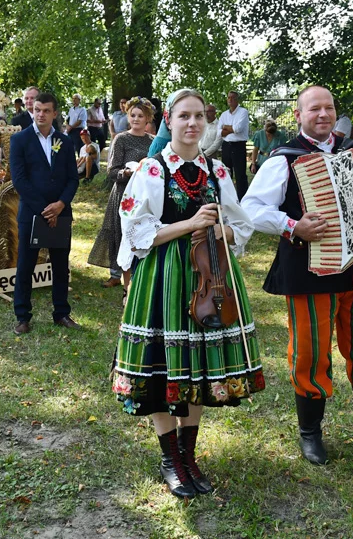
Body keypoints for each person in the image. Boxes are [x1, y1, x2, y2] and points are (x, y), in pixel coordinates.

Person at [242, 85, 353, 465]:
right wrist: (293, 225)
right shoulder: (284, 159)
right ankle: (311, 433)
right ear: (298, 115)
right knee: (310, 352)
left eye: (329, 108)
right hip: (309, 271)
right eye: (314, 109)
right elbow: (251, 209)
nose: (323, 115)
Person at [112, 88, 264, 499]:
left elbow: (241, 227)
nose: (193, 123)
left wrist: (217, 229)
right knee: (164, 366)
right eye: (184, 116)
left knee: (196, 365)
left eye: (199, 116)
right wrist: (191, 223)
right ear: (170, 119)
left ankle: (188, 454)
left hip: (208, 276)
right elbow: (137, 231)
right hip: (162, 277)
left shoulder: (217, 171)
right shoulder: (153, 170)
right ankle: (169, 459)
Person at [10, 92, 80, 335]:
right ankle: (22, 316)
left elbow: (73, 178)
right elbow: (19, 180)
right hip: (32, 212)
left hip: (60, 213)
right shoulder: (20, 140)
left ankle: (61, 313)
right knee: (25, 266)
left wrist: (60, 204)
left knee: (60, 265)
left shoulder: (65, 140)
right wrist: (44, 209)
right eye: (37, 109)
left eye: (46, 110)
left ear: (54, 113)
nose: (40, 114)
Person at [88, 96, 154, 294]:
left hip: (144, 195)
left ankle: (139, 274)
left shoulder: (152, 141)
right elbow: (111, 171)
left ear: (147, 119)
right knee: (119, 232)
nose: (135, 119)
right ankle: (117, 274)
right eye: (132, 115)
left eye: (140, 116)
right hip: (124, 194)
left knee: (141, 233)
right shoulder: (121, 139)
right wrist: (127, 172)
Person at [217, 91, 250, 199]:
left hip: (238, 146)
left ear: (237, 100)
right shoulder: (224, 114)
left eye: (233, 98)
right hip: (226, 146)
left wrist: (226, 128)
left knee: (240, 175)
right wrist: (231, 129)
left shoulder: (243, 112)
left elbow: (238, 129)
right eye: (228, 98)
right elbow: (218, 132)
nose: (230, 100)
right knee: (226, 173)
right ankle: (227, 198)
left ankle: (242, 199)